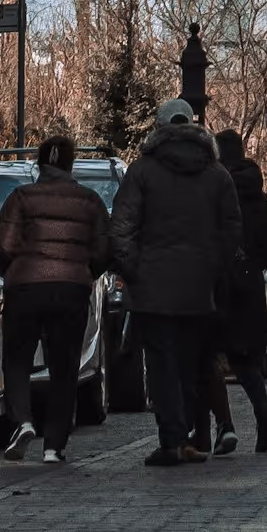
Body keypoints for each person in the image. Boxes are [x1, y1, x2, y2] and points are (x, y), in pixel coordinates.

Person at [109, 95, 241, 467]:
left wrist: (134, 269)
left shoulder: (143, 171)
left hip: (153, 288)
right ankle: (185, 437)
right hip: (199, 288)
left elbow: (121, 228)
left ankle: (173, 439)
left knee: (162, 365)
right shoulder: (217, 174)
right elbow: (232, 230)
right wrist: (212, 269)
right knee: (188, 364)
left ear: (160, 127)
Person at [0, 134, 113, 465]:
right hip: (71, 290)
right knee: (64, 367)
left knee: (17, 360)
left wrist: (9, 271)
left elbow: (2, 244)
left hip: (25, 287)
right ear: (71, 164)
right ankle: (54, 446)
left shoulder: (21, 198)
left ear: (40, 163)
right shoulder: (90, 202)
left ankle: (23, 421)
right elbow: (103, 251)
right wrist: (85, 273)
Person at [205, 128, 267, 454]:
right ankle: (264, 417)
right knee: (245, 359)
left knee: (207, 355)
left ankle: (223, 427)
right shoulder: (260, 198)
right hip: (250, 284)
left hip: (219, 282)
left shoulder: (215, 189)